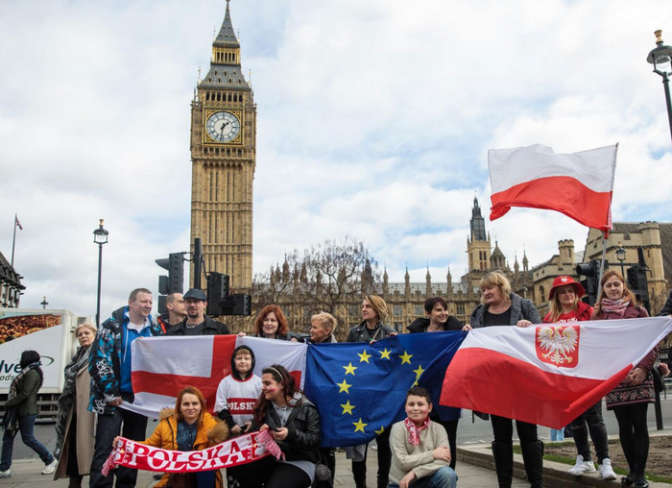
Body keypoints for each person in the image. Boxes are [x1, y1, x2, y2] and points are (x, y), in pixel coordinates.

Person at [470, 271, 542, 488]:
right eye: (483, 290)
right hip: (496, 383)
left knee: (529, 435)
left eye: (489, 288)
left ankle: (536, 483)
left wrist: (530, 327)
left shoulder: (524, 306)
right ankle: (504, 484)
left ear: (502, 287)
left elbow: (541, 334)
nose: (486, 293)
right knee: (501, 438)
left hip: (523, 380)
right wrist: (468, 332)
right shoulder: (479, 314)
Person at [89, 287, 165, 488]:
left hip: (138, 400)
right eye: (143, 301)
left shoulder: (155, 329)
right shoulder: (111, 326)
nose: (148, 305)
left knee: (133, 449)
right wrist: (110, 392)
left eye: (150, 302)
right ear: (131, 303)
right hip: (113, 398)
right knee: (105, 448)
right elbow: (99, 360)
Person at [542, 276, 616, 480]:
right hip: (565, 376)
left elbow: (603, 334)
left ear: (576, 294)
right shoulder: (550, 319)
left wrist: (599, 316)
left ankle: (605, 461)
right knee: (575, 421)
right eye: (563, 292)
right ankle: (584, 459)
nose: (567, 295)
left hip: (588, 372)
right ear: (557, 296)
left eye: (571, 291)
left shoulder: (589, 312)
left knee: (595, 419)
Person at [593, 271, 654, 488]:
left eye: (616, 284)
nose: (613, 288)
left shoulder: (638, 311)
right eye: (609, 285)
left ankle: (640, 475)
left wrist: (643, 368)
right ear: (604, 289)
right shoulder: (598, 316)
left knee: (640, 425)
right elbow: (596, 347)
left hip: (639, 374)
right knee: (624, 426)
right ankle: (632, 471)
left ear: (623, 286)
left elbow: (651, 340)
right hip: (615, 377)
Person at [118, 386, 225, 487]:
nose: (191, 408)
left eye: (195, 404)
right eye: (186, 404)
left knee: (205, 471)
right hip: (175, 478)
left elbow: (223, 451)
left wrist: (217, 437)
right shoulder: (166, 424)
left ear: (201, 405)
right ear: (179, 406)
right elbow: (149, 446)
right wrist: (124, 445)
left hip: (203, 479)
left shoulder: (210, 423)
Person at [233, 364, 320, 488]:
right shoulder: (265, 407)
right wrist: (259, 431)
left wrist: (291, 434)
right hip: (271, 460)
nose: (263, 388)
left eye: (267, 383)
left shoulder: (306, 407)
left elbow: (314, 440)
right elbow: (254, 437)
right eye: (262, 384)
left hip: (299, 461)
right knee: (241, 468)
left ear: (282, 384)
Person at [408, 297, 469, 471]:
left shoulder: (456, 332)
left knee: (448, 441)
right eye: (438, 310)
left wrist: (467, 332)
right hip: (424, 396)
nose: (444, 313)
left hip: (448, 393)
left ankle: (448, 478)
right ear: (428, 313)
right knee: (424, 441)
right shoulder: (417, 334)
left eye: (445, 309)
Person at [346, 295, 395, 488]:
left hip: (382, 398)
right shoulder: (354, 332)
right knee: (359, 445)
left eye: (368, 306)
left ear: (377, 309)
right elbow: (346, 360)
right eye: (362, 306)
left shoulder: (389, 333)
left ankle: (382, 483)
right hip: (360, 396)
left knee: (384, 445)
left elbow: (395, 365)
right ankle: (361, 485)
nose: (363, 309)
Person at [0, 350, 57, 478]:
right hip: (18, 410)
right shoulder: (29, 371)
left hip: (26, 410)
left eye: (22, 357)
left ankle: (50, 460)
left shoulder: (32, 372)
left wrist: (9, 403)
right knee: (7, 438)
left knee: (28, 438)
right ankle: (4, 468)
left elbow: (25, 393)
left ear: (27, 359)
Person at [54, 322, 98, 487]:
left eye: (87, 333)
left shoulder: (98, 353)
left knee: (89, 449)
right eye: (80, 334)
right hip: (74, 409)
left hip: (90, 409)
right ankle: (75, 482)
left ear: (94, 334)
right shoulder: (77, 356)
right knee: (73, 448)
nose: (83, 336)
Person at [388, 386, 457, 488]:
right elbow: (402, 462)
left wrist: (415, 473)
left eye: (420, 404)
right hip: (401, 483)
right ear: (405, 407)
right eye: (411, 404)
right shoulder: (397, 428)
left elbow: (444, 461)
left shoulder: (439, 429)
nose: (415, 408)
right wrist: (433, 454)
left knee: (448, 474)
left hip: (428, 481)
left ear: (429, 408)